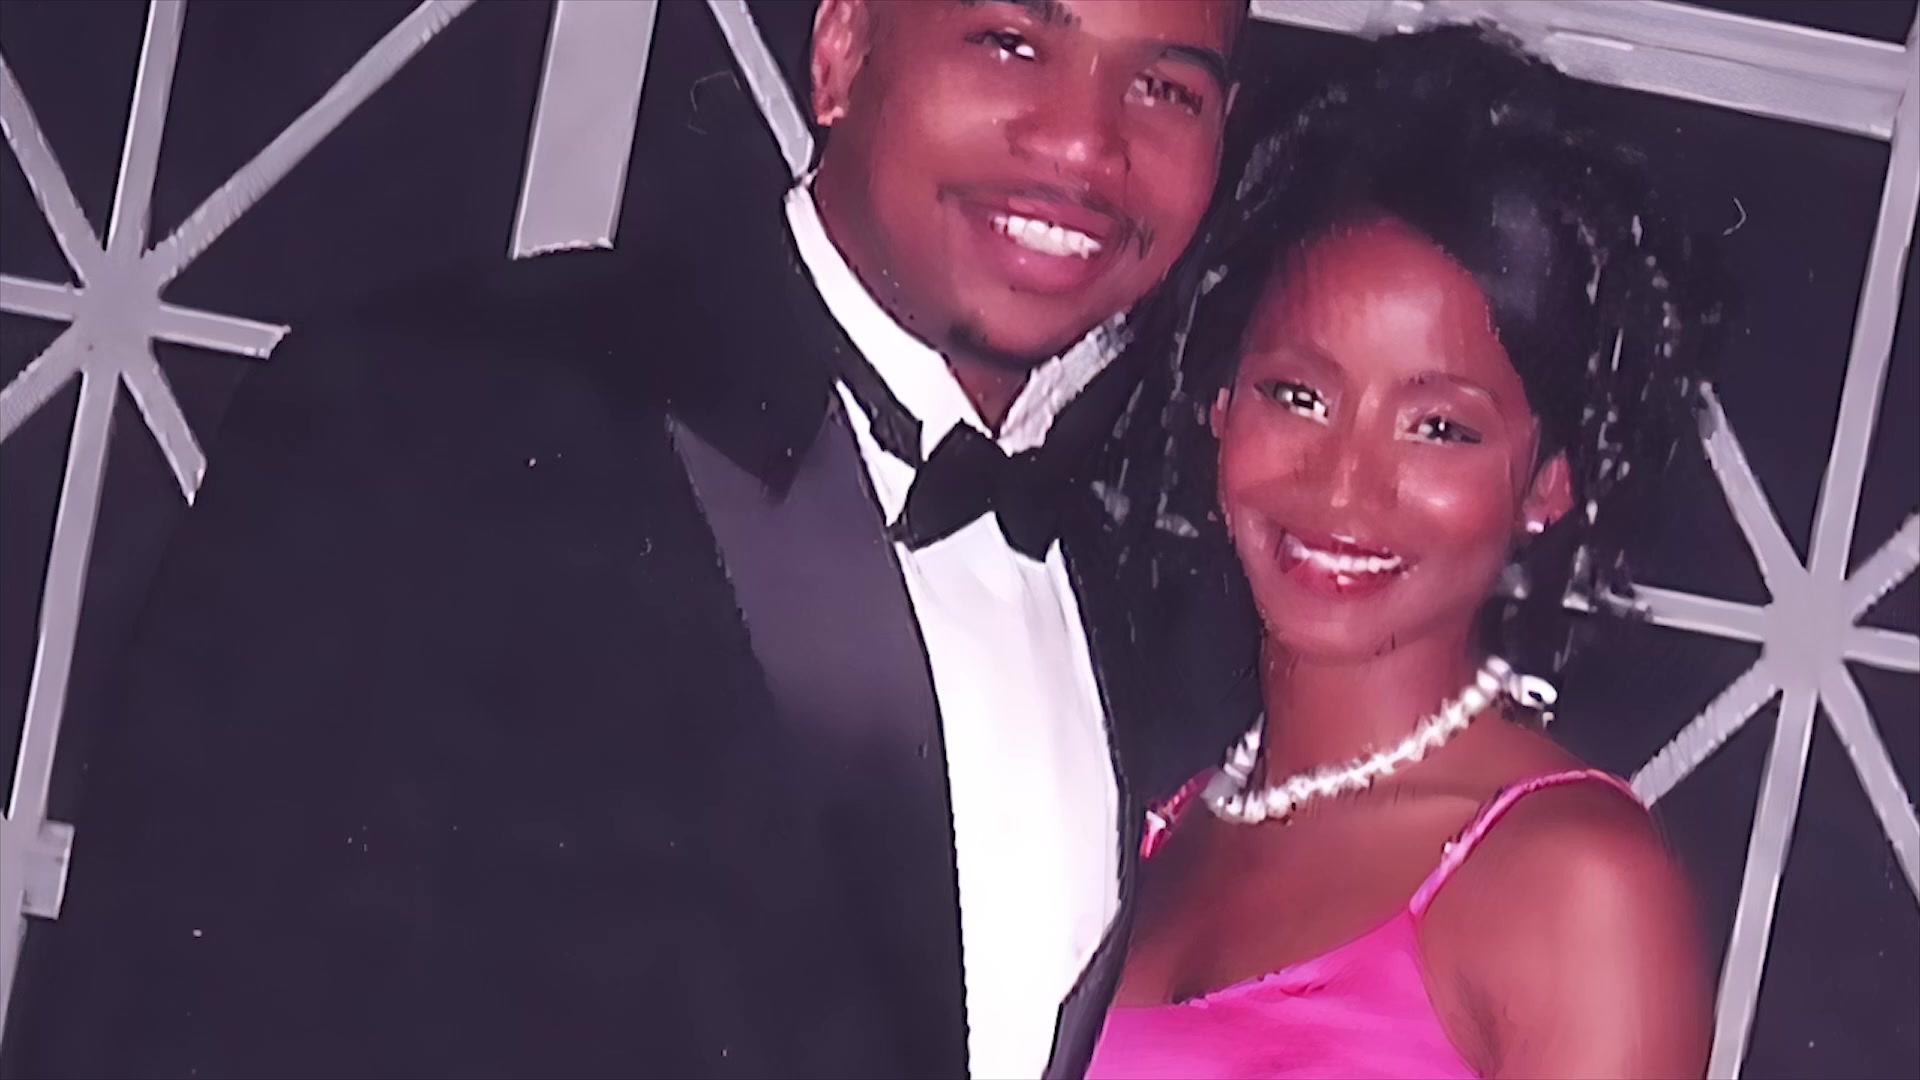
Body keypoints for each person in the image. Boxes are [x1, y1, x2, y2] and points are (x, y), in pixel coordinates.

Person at [2, 2, 1258, 1077]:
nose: (1086, 143)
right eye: (1011, 42)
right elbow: (154, 1012)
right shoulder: (448, 409)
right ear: (841, 49)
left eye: (1166, 88)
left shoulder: (1134, 598)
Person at [1086, 25, 1717, 1079]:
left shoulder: (1571, 884)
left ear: (1550, 482)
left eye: (1440, 427)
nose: (1344, 484)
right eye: (1299, 395)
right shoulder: (1151, 837)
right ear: (1219, 404)